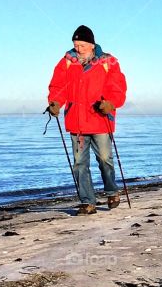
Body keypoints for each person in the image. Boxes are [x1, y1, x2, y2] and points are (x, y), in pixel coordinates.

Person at [47, 24, 127, 215]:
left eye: (82, 45)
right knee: (79, 164)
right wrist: (55, 103)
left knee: (105, 159)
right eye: (76, 44)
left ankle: (112, 192)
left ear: (92, 44)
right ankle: (87, 202)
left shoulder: (109, 61)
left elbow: (118, 86)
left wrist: (110, 103)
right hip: (77, 122)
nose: (78, 48)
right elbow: (58, 86)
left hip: (100, 119)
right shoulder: (66, 62)